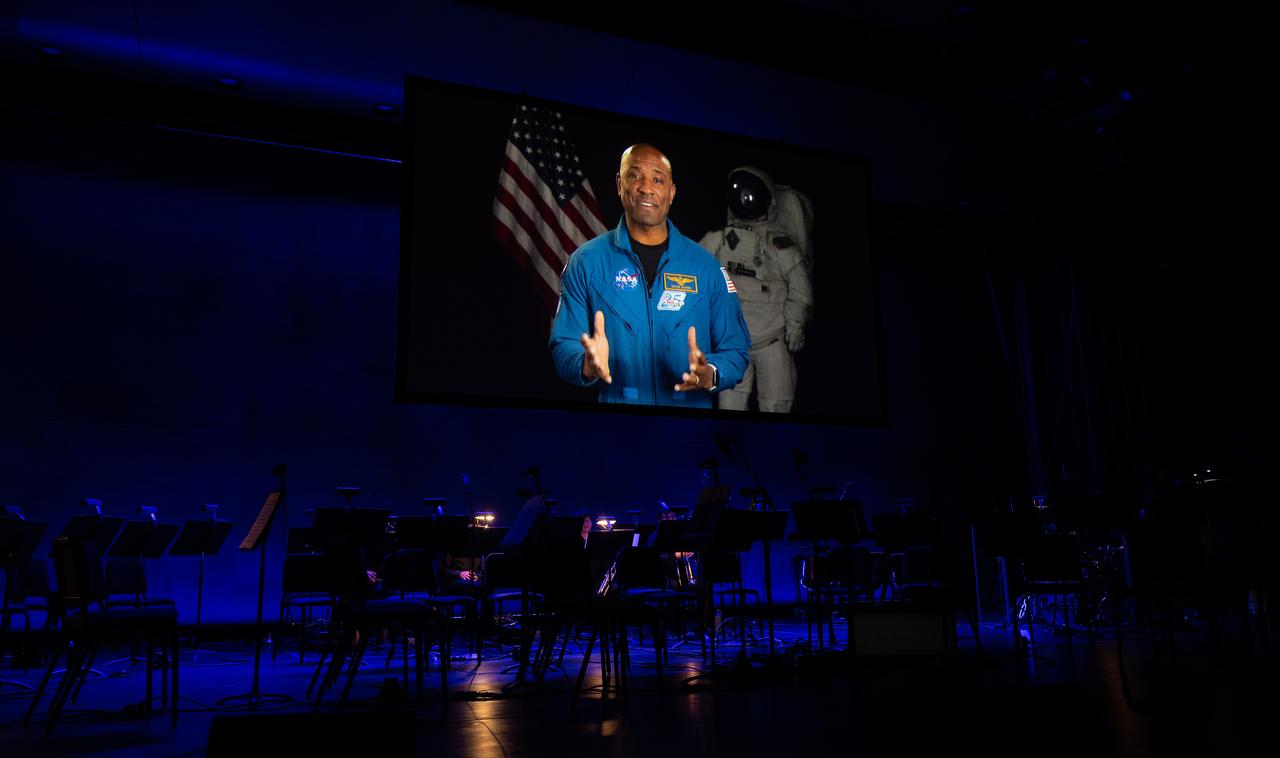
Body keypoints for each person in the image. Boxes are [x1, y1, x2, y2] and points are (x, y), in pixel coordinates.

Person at [549, 144, 751, 408]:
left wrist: (710, 373)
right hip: (618, 426)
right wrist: (585, 364)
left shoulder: (706, 267)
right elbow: (563, 344)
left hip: (689, 427)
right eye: (634, 176)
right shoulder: (586, 262)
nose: (646, 187)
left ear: (671, 192)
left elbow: (736, 351)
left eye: (658, 179)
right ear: (620, 184)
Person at [699, 166, 813, 414]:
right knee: (730, 405)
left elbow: (800, 290)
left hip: (772, 341)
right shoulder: (718, 240)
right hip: (733, 343)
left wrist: (794, 327)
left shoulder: (779, 246)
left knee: (775, 406)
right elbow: (691, 272)